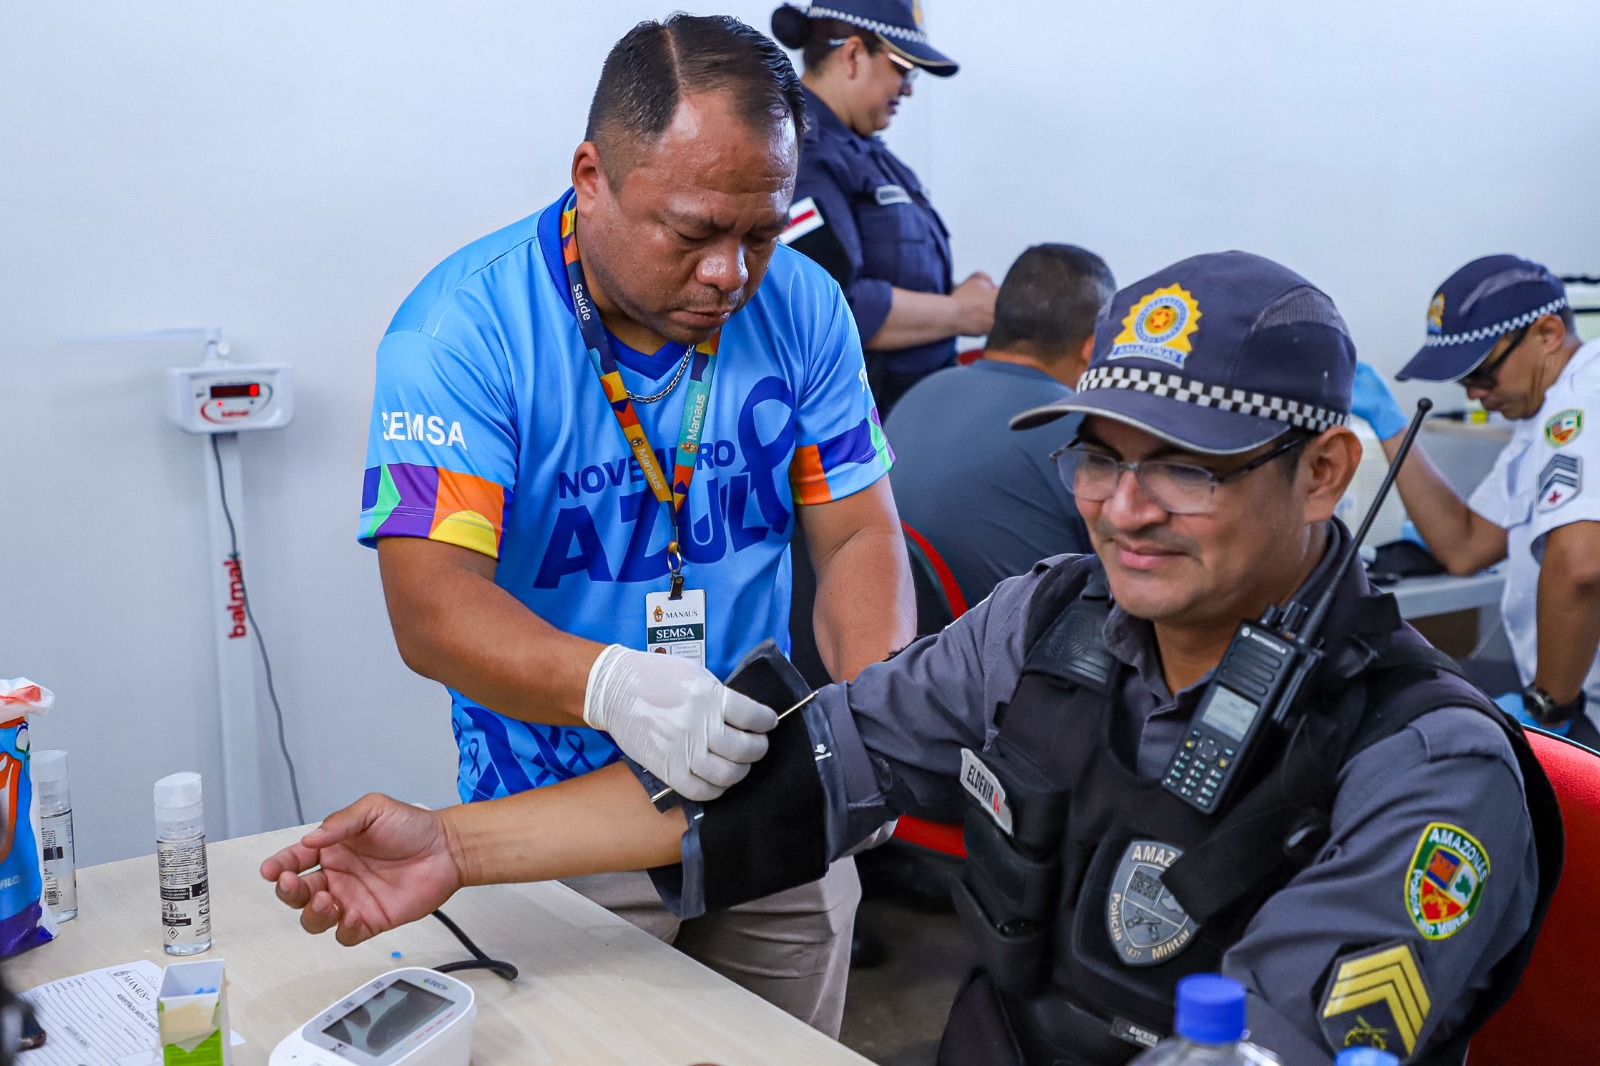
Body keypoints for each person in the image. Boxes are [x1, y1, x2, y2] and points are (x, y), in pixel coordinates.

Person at [273, 252, 1557, 1065]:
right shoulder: (1045, 621)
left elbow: (1276, 1046)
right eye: (1100, 455)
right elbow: (791, 776)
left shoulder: (1423, 763)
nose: (1122, 506)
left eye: (1185, 466)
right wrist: (453, 845)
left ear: (1325, 470)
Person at [354, 14, 913, 1036]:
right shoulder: (464, 331)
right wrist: (614, 689)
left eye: (760, 232)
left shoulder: (804, 307)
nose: (728, 276)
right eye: (693, 232)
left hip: (768, 792)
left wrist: (875, 710)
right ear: (590, 174)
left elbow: (857, 535)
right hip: (557, 826)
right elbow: (431, 609)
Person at [1350, 255, 1600, 746]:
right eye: (1463, 382)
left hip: (1576, 705)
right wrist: (1392, 426)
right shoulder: (1543, 417)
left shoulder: (1583, 402)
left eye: (1483, 374)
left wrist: (1548, 705)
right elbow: (1465, 545)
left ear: (1548, 333)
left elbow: (1581, 565)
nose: (1477, 395)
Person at [770, 0, 996, 416]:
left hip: (908, 416)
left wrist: (953, 294)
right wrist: (960, 312)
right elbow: (836, 306)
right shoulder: (801, 154)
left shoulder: (865, 151)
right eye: (902, 68)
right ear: (853, 54)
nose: (909, 88)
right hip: (861, 428)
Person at [885, 244, 1113, 606]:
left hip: (901, 647)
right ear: (1093, 347)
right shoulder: (1084, 432)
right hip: (1013, 655)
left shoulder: (920, 393)